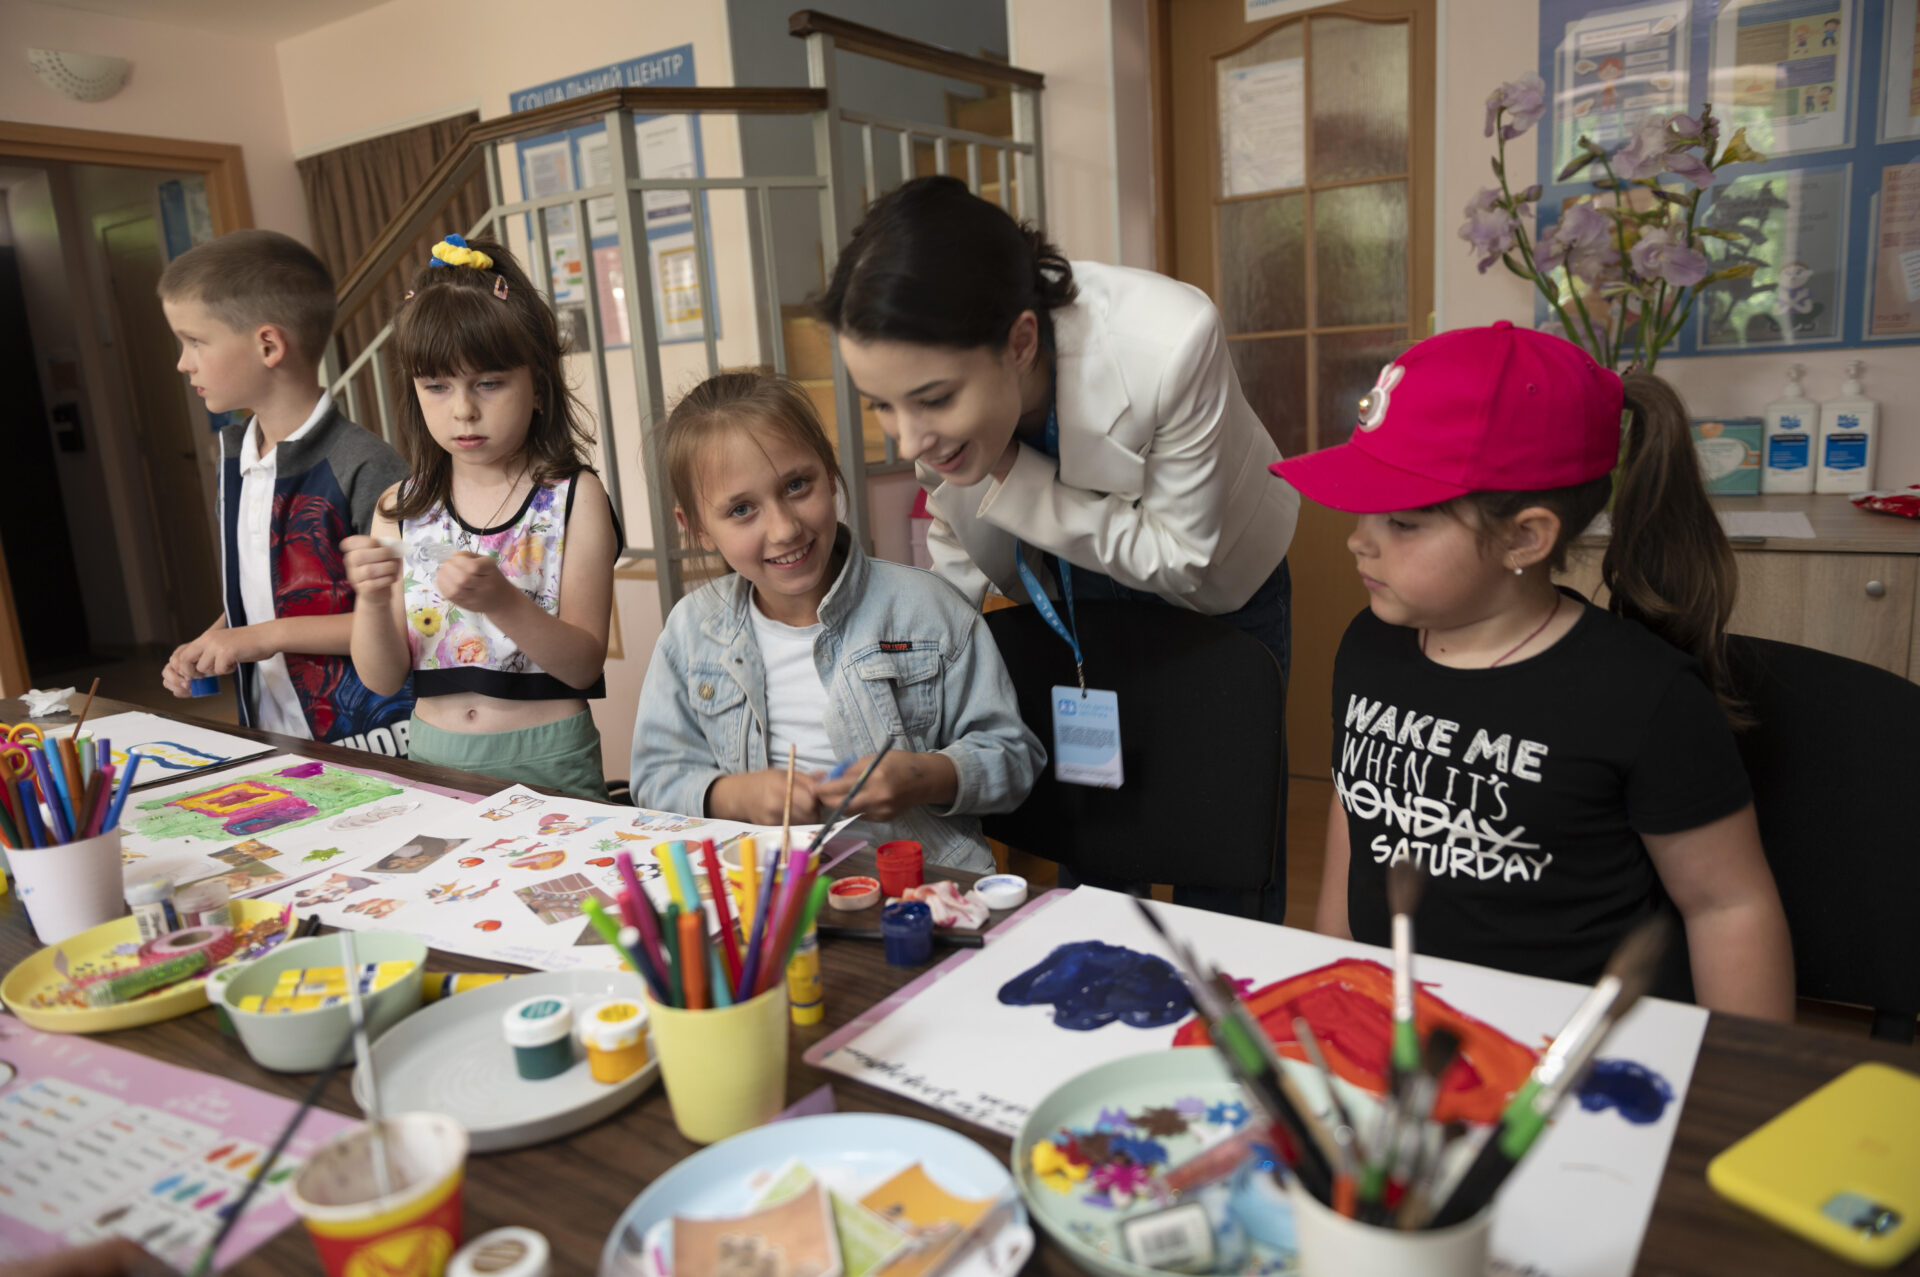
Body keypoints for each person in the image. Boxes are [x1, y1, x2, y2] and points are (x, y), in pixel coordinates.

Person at [1274, 321, 1794, 1020]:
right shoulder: (1370, 643)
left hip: (1571, 1054)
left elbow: (1728, 904)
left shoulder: (1644, 695)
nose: (1357, 539)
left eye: (1403, 522)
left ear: (1525, 536)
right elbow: (1358, 807)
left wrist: (1743, 1086)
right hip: (1401, 1026)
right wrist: (1332, 967)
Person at [816, 175, 1299, 918]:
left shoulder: (1170, 341)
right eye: (882, 405)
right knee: (1097, 830)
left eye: (935, 400)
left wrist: (1012, 471)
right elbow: (951, 525)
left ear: (1020, 340)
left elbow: (1181, 555)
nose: (908, 439)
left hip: (1213, 586)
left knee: (1225, 848)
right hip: (1071, 589)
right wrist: (927, 669)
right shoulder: (934, 384)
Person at [630, 371, 1044, 873]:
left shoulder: (929, 611)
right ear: (697, 529)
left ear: (830, 474)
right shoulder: (690, 632)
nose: (784, 529)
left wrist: (927, 776)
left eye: (797, 485)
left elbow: (1015, 760)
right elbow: (655, 777)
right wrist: (730, 795)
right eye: (742, 510)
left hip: (921, 889)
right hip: (767, 896)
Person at [342, 235, 617, 799]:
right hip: (433, 756)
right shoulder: (399, 510)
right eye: (436, 386)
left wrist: (503, 602)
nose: (463, 409)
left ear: (537, 386)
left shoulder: (572, 497)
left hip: (550, 757)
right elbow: (381, 677)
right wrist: (371, 600)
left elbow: (583, 665)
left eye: (488, 383)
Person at [159, 230, 413, 754]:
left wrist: (257, 637)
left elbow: (406, 618)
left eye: (195, 341)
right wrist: (215, 638)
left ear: (269, 345)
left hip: (373, 740)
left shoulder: (367, 465)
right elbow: (265, 593)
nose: (183, 362)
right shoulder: (235, 460)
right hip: (276, 735)